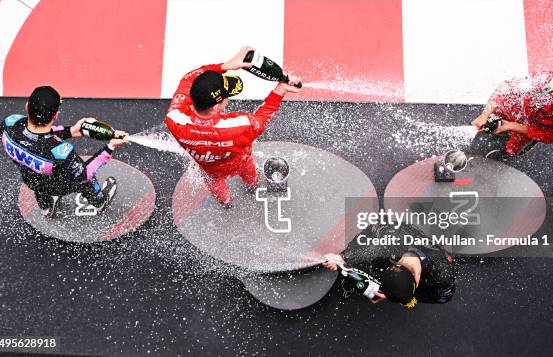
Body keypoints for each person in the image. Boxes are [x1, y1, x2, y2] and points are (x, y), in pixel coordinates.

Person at [165, 46, 301, 207]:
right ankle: (252, 188)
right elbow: (263, 118)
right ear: (216, 107)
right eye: (227, 95)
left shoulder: (174, 119)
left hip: (210, 171)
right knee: (252, 178)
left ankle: (227, 204)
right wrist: (280, 89)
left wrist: (226, 66)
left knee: (219, 191)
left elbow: (188, 78)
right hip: (242, 163)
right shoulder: (239, 125)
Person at [0, 86, 128, 218]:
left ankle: (46, 209)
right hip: (60, 186)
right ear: (56, 116)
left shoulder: (8, 126)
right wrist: (110, 147)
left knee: (39, 185)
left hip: (31, 180)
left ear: (27, 107)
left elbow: (37, 138)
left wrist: (72, 131)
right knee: (85, 181)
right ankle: (100, 202)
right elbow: (85, 174)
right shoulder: (60, 153)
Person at [322, 226, 456, 308]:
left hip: (422, 277)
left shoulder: (443, 276)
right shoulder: (391, 236)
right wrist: (344, 257)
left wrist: (405, 297)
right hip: (394, 252)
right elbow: (371, 229)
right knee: (361, 263)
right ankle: (349, 278)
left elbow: (439, 298)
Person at [471, 71, 553, 158]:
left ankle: (510, 152)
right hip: (528, 105)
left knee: (514, 148)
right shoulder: (550, 81)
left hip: (539, 126)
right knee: (501, 108)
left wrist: (513, 126)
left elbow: (543, 135)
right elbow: (509, 87)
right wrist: (485, 114)